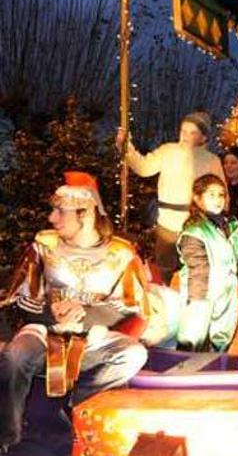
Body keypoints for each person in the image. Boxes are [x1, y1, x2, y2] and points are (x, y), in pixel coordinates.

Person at [0, 172, 148, 450]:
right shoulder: (44, 245)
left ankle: (81, 415)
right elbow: (20, 297)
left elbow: (131, 306)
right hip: (45, 333)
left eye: (60, 211)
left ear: (86, 214)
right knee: (16, 356)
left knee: (132, 354)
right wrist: (49, 312)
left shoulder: (122, 253)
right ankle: (6, 437)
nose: (52, 218)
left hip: (92, 337)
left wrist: (86, 312)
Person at [118, 111, 225, 283]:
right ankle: (167, 297)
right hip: (168, 221)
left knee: (195, 265)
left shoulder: (211, 160)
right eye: (183, 131)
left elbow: (221, 192)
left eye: (192, 132)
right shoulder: (168, 151)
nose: (185, 136)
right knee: (166, 265)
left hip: (197, 221)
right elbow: (144, 167)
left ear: (203, 137)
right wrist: (127, 148)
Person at [175, 174, 238, 352]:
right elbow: (197, 268)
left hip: (227, 290)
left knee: (222, 337)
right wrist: (197, 301)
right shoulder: (195, 231)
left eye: (221, 194)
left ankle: (218, 369)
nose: (218, 200)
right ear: (198, 198)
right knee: (194, 336)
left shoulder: (231, 224)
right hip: (202, 293)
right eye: (211, 195)